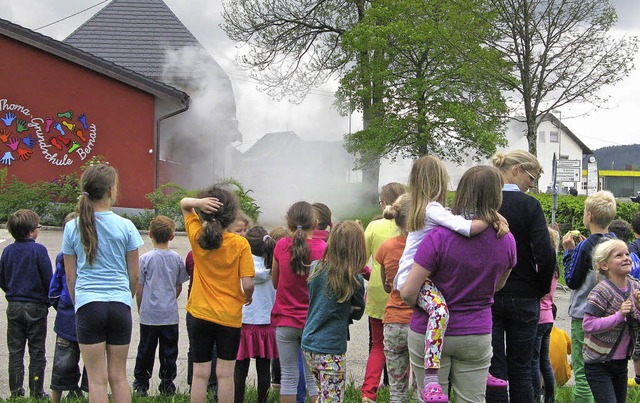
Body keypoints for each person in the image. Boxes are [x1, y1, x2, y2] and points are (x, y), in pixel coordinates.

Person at [393, 156, 506, 401]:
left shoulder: (434, 225)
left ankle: (436, 377)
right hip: (477, 332)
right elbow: (496, 284)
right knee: (442, 312)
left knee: (440, 312)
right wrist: (490, 216)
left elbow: (409, 293)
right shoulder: (504, 238)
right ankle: (468, 372)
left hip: (423, 316)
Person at [62, 163, 144, 403]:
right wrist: (124, 298)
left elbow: (70, 276)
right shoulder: (126, 226)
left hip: (89, 305)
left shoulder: (71, 227)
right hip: (119, 305)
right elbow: (135, 275)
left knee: (97, 380)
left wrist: (81, 303)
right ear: (111, 190)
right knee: (118, 377)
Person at [488, 150, 557, 403]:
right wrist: (540, 288)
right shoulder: (530, 206)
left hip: (489, 295)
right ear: (515, 169)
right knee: (523, 368)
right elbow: (545, 253)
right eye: (532, 177)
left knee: (494, 367)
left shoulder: (487, 203)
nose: (532, 184)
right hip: (525, 295)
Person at [180, 186, 255, 403]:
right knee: (225, 374)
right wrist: (247, 296)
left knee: (200, 374)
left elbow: (184, 204)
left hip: (199, 314)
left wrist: (197, 202)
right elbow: (247, 283)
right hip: (229, 317)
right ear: (232, 215)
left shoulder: (197, 237)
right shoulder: (240, 243)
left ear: (204, 212)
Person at [302, 221, 366, 402]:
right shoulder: (354, 279)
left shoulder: (315, 267)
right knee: (332, 398)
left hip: (309, 343)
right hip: (331, 349)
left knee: (324, 394)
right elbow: (358, 312)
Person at [562, 190, 616, 403]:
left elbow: (571, 280)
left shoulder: (585, 246)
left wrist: (569, 252)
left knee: (583, 373)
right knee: (605, 371)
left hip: (585, 316)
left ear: (589, 216)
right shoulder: (614, 242)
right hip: (611, 314)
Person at [271, 201, 326, 403]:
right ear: (316, 222)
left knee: (289, 376)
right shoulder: (323, 249)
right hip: (312, 322)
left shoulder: (281, 246)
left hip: (285, 321)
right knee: (314, 378)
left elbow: (275, 283)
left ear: (289, 222)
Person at [132, 215, 189, 396]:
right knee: (169, 351)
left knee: (145, 350)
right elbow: (179, 285)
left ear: (150, 234)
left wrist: (141, 307)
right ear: (172, 236)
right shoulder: (176, 258)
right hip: (169, 314)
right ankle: (167, 384)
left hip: (149, 313)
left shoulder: (145, 259)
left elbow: (139, 287)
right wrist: (171, 297)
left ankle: (141, 384)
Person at [0, 209, 52, 399]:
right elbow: (48, 279)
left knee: (15, 351)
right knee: (37, 351)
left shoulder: (8, 251)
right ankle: (37, 391)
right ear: (31, 231)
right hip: (36, 305)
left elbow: (2, 278)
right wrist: (49, 300)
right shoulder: (38, 250)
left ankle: (15, 392)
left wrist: (12, 292)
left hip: (14, 305)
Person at [361, 182, 406, 403]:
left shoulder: (374, 227)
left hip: (379, 291)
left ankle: (369, 392)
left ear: (384, 204)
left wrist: (370, 273)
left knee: (377, 345)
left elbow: (360, 260)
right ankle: (396, 384)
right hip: (407, 293)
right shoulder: (411, 226)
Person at [583, 239, 640, 403]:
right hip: (597, 363)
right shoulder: (601, 291)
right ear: (604, 265)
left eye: (627, 254)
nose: (626, 258)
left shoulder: (635, 287)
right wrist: (618, 316)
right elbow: (588, 324)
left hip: (621, 363)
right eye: (619, 255)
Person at [234, 226, 278, 403]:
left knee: (239, 367)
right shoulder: (273, 265)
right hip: (266, 323)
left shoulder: (242, 264)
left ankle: (237, 400)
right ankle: (263, 400)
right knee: (263, 367)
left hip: (244, 321)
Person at [377, 193, 413, 402]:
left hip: (393, 322)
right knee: (421, 387)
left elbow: (386, 285)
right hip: (418, 322)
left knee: (397, 388)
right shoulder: (425, 245)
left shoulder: (386, 247)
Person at [49, 212, 88, 403]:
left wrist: (63, 305)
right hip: (83, 315)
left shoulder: (63, 255)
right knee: (88, 363)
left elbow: (54, 290)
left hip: (68, 315)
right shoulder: (89, 254)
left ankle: (60, 397)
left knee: (64, 362)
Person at [531, 227, 560, 403]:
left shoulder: (537, 265)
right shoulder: (555, 268)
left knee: (533, 361)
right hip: (549, 317)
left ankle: (535, 397)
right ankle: (550, 398)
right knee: (545, 361)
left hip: (537, 317)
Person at [184, 250, 218, 398]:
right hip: (217, 307)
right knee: (216, 349)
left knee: (195, 349)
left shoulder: (193, 255)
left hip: (196, 306)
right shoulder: (225, 252)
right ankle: (213, 384)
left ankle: (193, 384)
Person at [549, 304, 572, 387]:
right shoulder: (562, 333)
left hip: (542, 380)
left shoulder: (536, 335)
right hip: (562, 379)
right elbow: (573, 351)